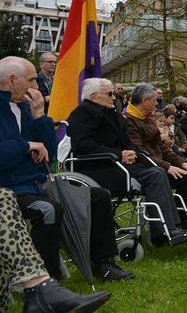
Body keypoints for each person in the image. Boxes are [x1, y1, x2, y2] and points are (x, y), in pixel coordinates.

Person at [0, 58, 134, 281]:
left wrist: (40, 115)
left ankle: (102, 262)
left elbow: (49, 152)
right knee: (48, 209)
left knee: (99, 197)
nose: (36, 86)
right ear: (13, 80)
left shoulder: (26, 107)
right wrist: (26, 146)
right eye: (32, 79)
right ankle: (47, 281)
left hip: (39, 183)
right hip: (10, 188)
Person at [68, 78, 187, 245]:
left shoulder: (111, 113)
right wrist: (119, 154)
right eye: (110, 94)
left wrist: (130, 152)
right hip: (97, 167)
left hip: (118, 163)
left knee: (157, 171)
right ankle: (164, 230)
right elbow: (83, 145)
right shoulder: (82, 114)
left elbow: (127, 141)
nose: (114, 97)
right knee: (155, 174)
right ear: (94, 96)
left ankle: (171, 226)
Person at [0, 188, 112, 313]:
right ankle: (44, 287)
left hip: (40, 188)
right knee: (48, 209)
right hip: (22, 189)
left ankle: (43, 287)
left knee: (100, 195)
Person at [126, 83, 187, 233]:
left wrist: (181, 163)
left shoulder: (146, 118)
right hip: (147, 167)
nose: (157, 103)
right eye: (154, 100)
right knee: (185, 178)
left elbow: (162, 147)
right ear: (145, 101)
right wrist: (168, 166)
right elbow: (140, 153)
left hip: (158, 163)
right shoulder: (129, 120)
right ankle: (179, 223)